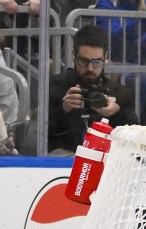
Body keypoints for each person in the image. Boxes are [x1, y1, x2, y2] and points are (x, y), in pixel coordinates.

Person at [47, 24, 138, 155]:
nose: (90, 68)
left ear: (105, 56)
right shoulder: (55, 86)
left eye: (96, 62)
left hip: (106, 159)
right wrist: (63, 110)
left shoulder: (118, 92)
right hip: (64, 159)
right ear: (74, 55)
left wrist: (116, 113)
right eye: (83, 61)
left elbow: (135, 136)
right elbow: (38, 135)